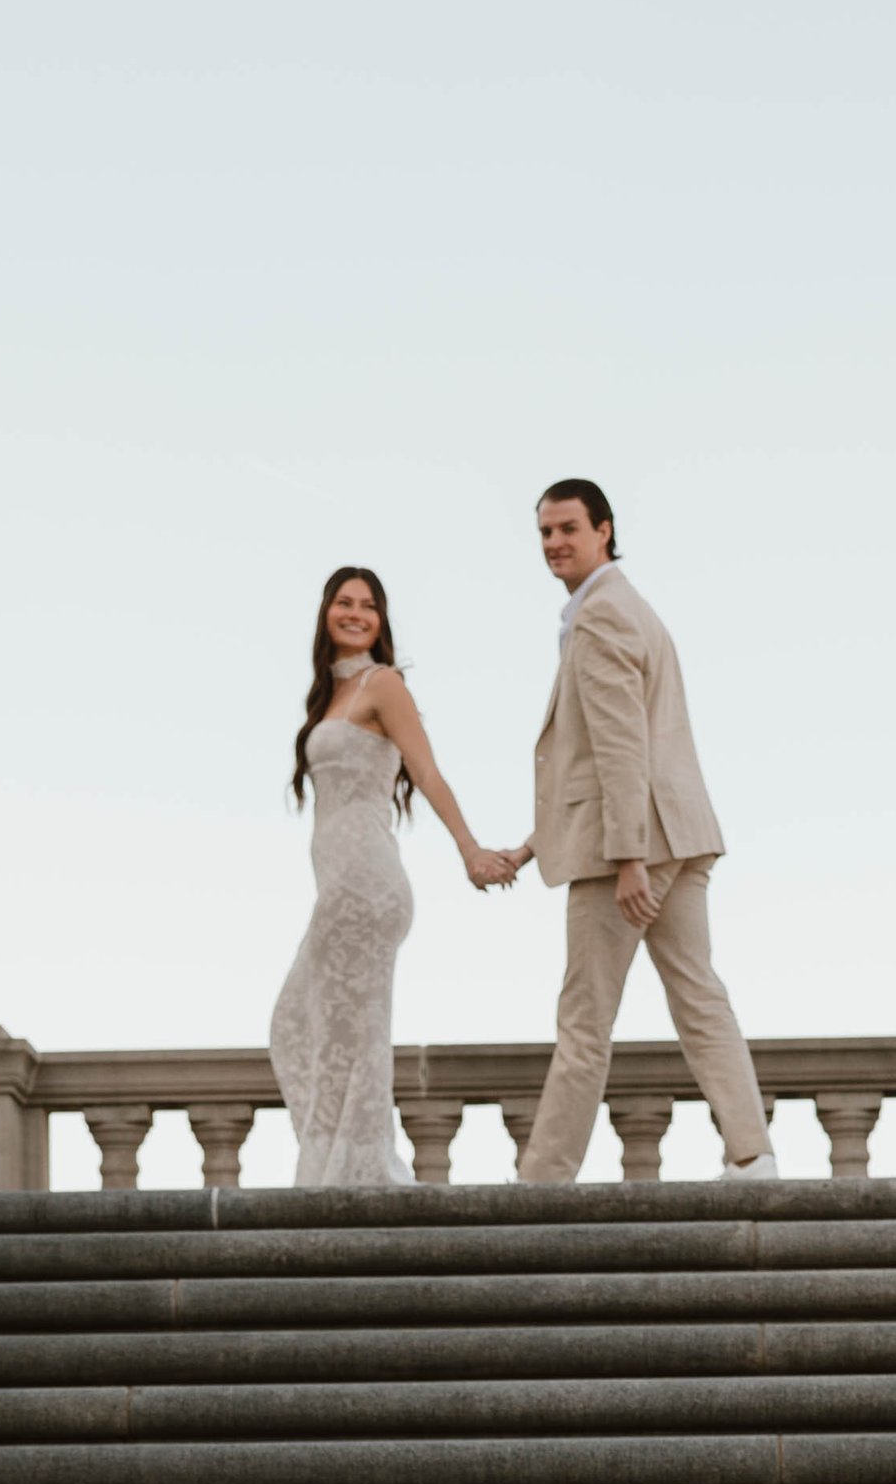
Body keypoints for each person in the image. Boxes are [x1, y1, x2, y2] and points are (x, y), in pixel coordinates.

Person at [508, 479, 775, 1185]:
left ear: (604, 530)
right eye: (544, 533)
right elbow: (601, 759)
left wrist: (627, 858)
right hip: (681, 834)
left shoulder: (599, 615)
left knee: (584, 1022)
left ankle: (543, 1181)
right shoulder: (631, 607)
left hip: (630, 850)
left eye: (568, 528)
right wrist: (536, 842)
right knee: (699, 995)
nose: (555, 543)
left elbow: (622, 746)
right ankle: (753, 1154)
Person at [269, 565, 517, 1186]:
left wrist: (469, 850)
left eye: (369, 606)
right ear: (326, 613)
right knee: (302, 1025)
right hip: (338, 888)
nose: (356, 614)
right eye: (344, 603)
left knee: (341, 1033)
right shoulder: (327, 696)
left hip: (369, 887)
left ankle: (346, 1175)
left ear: (381, 622)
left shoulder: (383, 685)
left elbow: (427, 772)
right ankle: (339, 1167)